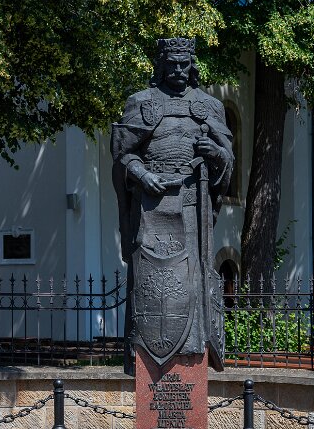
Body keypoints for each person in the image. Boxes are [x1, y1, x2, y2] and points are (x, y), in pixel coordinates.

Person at [111, 37, 234, 373]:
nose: (178, 71)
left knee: (193, 280)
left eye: (184, 64)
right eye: (171, 64)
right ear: (161, 64)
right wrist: (140, 173)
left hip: (193, 205)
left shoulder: (210, 107)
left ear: (192, 65)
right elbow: (122, 155)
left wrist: (214, 152)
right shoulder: (141, 102)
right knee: (151, 281)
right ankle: (150, 354)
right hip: (151, 208)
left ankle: (193, 350)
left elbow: (227, 162)